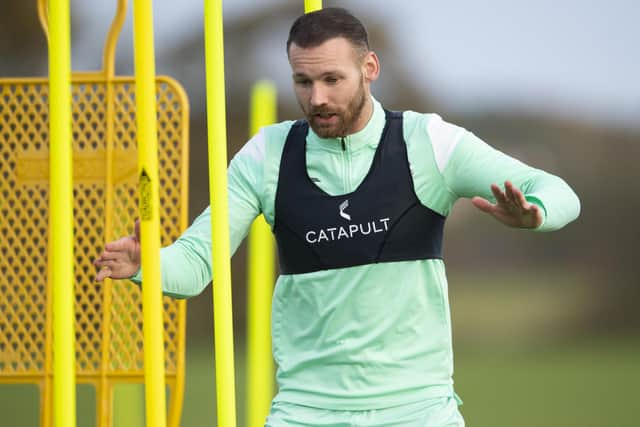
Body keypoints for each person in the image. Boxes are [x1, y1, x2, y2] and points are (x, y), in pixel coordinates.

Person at [94, 7, 580, 427]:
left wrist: (534, 214)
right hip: (307, 410)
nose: (317, 98)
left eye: (332, 79)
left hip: (416, 409)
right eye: (303, 82)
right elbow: (197, 264)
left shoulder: (428, 142)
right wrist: (147, 264)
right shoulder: (266, 155)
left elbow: (558, 192)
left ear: (369, 68)